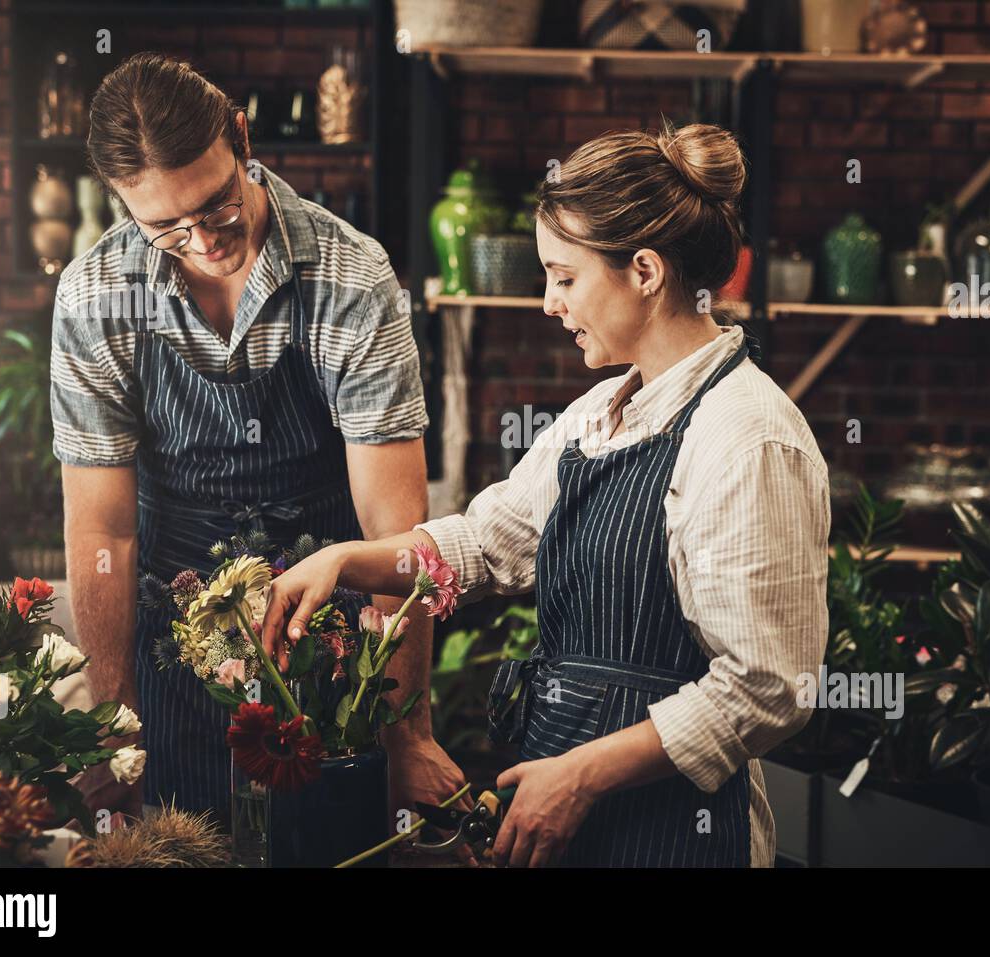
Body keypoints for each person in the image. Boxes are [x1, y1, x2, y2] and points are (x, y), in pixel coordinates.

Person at [262, 123, 830, 867]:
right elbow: (480, 545)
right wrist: (344, 561)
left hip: (679, 833)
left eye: (564, 277)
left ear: (647, 272)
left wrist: (582, 775)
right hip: (568, 815)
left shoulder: (747, 435)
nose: (548, 304)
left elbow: (769, 685)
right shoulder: (597, 414)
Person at [50, 53, 466, 823]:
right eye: (166, 229)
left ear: (241, 138)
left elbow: (393, 533)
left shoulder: (352, 278)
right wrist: (114, 728)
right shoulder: (97, 293)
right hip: (175, 655)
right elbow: (102, 527)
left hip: (331, 650)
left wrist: (406, 729)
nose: (202, 240)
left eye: (215, 207)